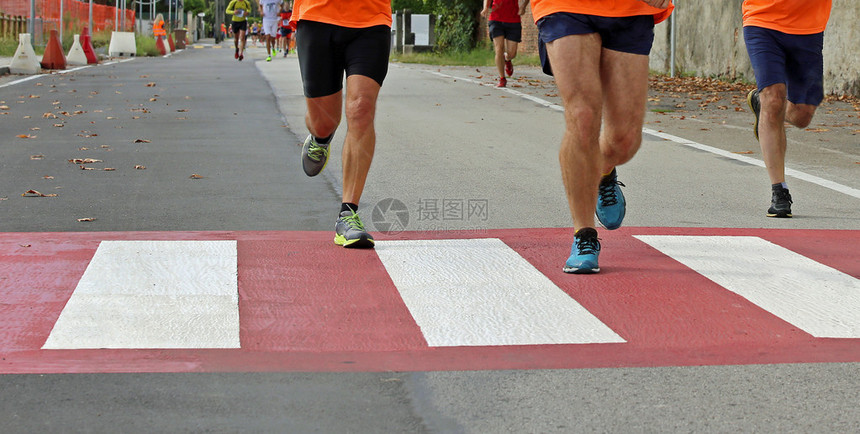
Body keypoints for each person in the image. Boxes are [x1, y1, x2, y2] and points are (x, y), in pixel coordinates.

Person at [530, 0, 673, 273]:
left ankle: (603, 171)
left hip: (630, 8)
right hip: (563, 6)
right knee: (582, 117)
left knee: (625, 140)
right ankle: (584, 235)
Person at [292, 0, 392, 249]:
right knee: (323, 122)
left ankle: (348, 213)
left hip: (371, 18)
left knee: (361, 108)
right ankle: (320, 138)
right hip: (317, 16)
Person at [743, 0, 832, 218]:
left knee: (802, 115)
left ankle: (760, 104)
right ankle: (779, 191)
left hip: (809, 28)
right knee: (773, 98)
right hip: (762, 19)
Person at [481, 0, 530, 88]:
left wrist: (523, 6)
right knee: (499, 49)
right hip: (496, 19)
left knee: (512, 53)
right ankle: (502, 78)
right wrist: (485, 8)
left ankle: (507, 59)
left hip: (513, 20)